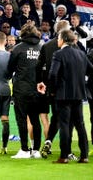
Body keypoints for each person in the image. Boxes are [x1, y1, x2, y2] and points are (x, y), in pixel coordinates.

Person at [43, 29, 93, 164]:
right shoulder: (81, 54)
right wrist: (82, 84)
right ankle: (84, 156)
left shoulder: (58, 54)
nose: (57, 40)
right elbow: (91, 70)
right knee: (80, 125)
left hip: (63, 95)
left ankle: (64, 156)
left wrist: (52, 91)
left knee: (64, 124)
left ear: (63, 39)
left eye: (58, 38)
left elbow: (53, 74)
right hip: (78, 94)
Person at [7, 23, 43, 159]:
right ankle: (36, 150)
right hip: (37, 89)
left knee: (21, 119)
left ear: (22, 33)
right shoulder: (41, 47)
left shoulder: (18, 48)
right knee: (35, 119)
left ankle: (24, 149)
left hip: (21, 89)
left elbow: (10, 68)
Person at [35, 20, 70, 159]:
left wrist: (40, 81)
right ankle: (66, 150)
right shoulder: (72, 48)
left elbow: (38, 66)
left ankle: (48, 141)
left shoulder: (47, 45)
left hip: (47, 88)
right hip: (65, 88)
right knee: (64, 119)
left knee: (47, 117)